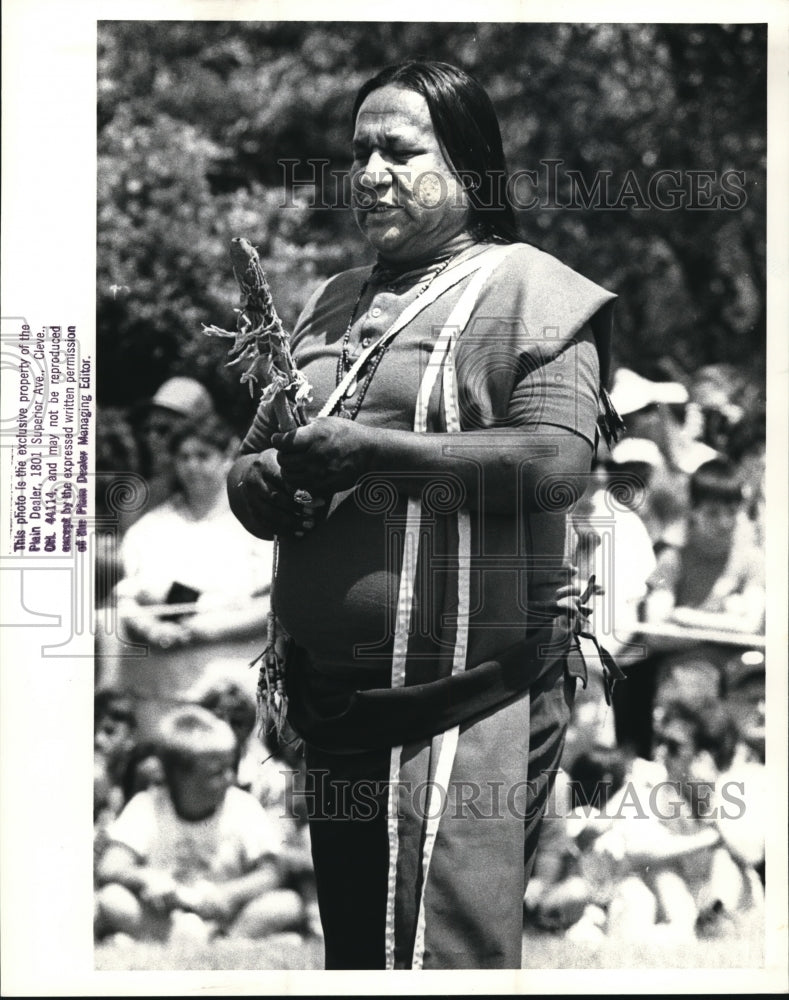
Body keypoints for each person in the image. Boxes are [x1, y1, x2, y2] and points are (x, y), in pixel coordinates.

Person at [227, 61, 620, 970]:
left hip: (472, 696)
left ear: (470, 166)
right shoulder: (332, 301)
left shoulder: (533, 292)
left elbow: (557, 464)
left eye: (399, 150)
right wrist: (252, 482)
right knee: (363, 958)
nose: (369, 172)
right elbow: (259, 448)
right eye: (359, 151)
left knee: (444, 961)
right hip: (341, 706)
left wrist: (376, 454)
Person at [94, 706, 306, 943]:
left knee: (286, 903)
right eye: (217, 772)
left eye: (230, 766)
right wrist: (146, 878)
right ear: (179, 777)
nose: (230, 778)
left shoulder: (242, 806)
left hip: (224, 910)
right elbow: (110, 867)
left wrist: (230, 895)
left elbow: (271, 872)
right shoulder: (148, 805)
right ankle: (192, 938)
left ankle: (225, 939)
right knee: (112, 899)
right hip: (167, 914)